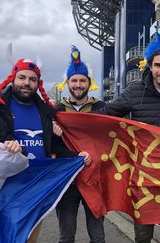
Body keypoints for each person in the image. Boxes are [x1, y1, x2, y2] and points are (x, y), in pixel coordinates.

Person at [98, 26, 160, 243]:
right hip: (143, 176)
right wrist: (65, 118)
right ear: (150, 66)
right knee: (143, 236)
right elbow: (105, 114)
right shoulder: (135, 92)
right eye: (157, 65)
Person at [0, 58, 92, 243]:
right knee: (3, 234)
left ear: (38, 83)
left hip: (37, 186)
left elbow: (54, 147)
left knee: (30, 237)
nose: (27, 83)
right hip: (6, 186)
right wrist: (6, 142)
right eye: (22, 77)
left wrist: (75, 156)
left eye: (32, 79)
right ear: (12, 78)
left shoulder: (45, 111)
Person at [53, 46, 106, 243]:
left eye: (82, 80)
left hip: (95, 179)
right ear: (67, 83)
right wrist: (53, 134)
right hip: (68, 181)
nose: (78, 84)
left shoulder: (102, 109)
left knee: (98, 236)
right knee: (66, 236)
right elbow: (52, 147)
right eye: (74, 80)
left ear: (89, 83)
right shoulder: (56, 111)